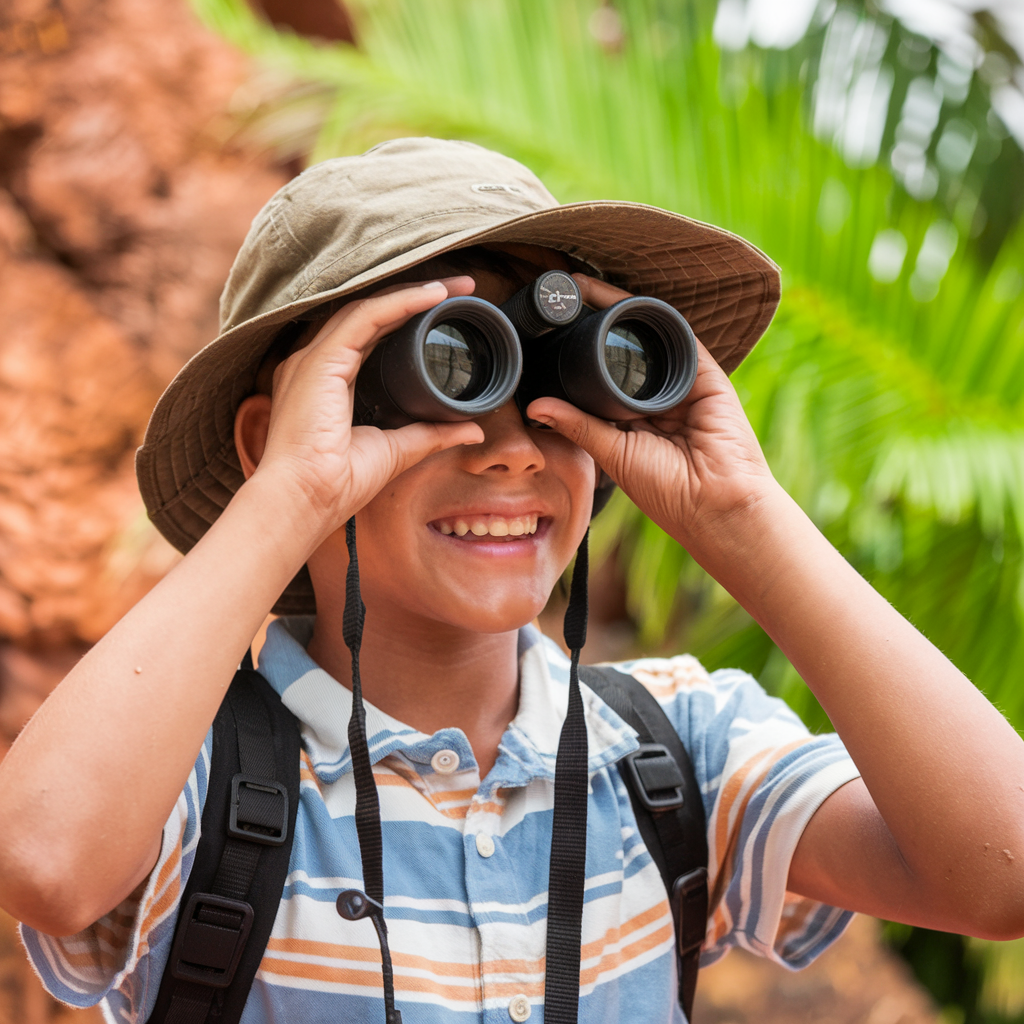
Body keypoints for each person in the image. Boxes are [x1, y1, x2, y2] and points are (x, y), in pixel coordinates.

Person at [0, 138, 1022, 1024]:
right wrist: (291, 490)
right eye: (448, 370)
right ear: (277, 434)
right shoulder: (197, 774)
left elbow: (1002, 867)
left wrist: (744, 517)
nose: (509, 450)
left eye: (555, 387)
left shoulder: (675, 754)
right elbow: (44, 860)